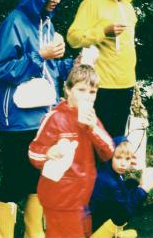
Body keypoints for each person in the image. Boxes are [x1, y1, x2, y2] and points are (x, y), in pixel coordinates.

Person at [0, 0, 73, 238]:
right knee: (14, 181)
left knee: (38, 179)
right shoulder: (14, 22)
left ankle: (34, 234)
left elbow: (50, 71)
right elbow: (3, 70)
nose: (56, 0)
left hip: (43, 119)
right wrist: (40, 53)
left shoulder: (48, 25)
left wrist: (75, 64)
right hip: (16, 119)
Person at [29, 65, 115, 238]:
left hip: (83, 195)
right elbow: (33, 152)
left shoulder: (92, 118)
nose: (87, 96)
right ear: (68, 89)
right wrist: (48, 152)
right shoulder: (54, 118)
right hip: (60, 196)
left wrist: (92, 129)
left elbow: (108, 152)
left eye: (92, 92)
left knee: (80, 232)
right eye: (81, 90)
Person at [67, 0, 137, 137]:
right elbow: (73, 37)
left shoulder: (129, 8)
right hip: (100, 85)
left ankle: (113, 166)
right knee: (96, 138)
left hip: (126, 84)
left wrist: (134, 83)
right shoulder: (92, 3)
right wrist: (103, 31)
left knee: (117, 139)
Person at [90, 137, 153, 238]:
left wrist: (135, 184)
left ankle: (115, 233)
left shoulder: (108, 170)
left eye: (127, 158)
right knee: (122, 213)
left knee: (130, 186)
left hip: (97, 218)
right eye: (118, 157)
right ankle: (110, 235)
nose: (123, 163)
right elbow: (123, 214)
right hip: (94, 228)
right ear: (110, 156)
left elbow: (121, 193)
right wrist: (144, 188)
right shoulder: (108, 181)